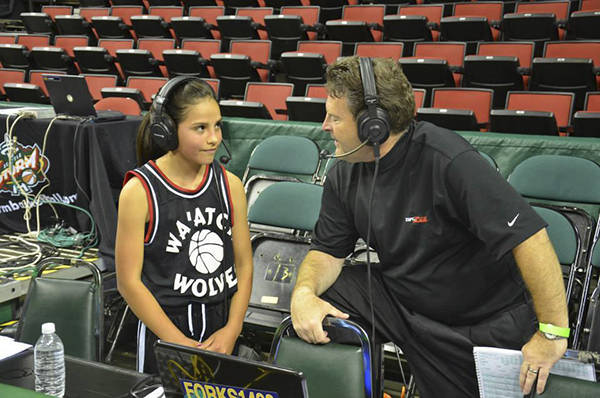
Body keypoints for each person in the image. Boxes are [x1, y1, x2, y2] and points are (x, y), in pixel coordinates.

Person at [290, 56, 569, 397]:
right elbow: (326, 252)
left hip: (482, 323)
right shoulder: (343, 172)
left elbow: (530, 237)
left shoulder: (448, 159)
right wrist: (303, 294)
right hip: (406, 305)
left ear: (373, 125)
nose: (324, 126)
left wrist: (552, 333)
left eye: (334, 117)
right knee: (320, 297)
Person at [115, 77, 253, 374]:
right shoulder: (140, 191)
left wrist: (233, 328)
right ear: (166, 132)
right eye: (200, 128)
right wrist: (177, 342)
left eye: (217, 125)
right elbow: (128, 282)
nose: (214, 137)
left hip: (222, 327)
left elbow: (243, 265)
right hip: (164, 330)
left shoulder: (230, 185)